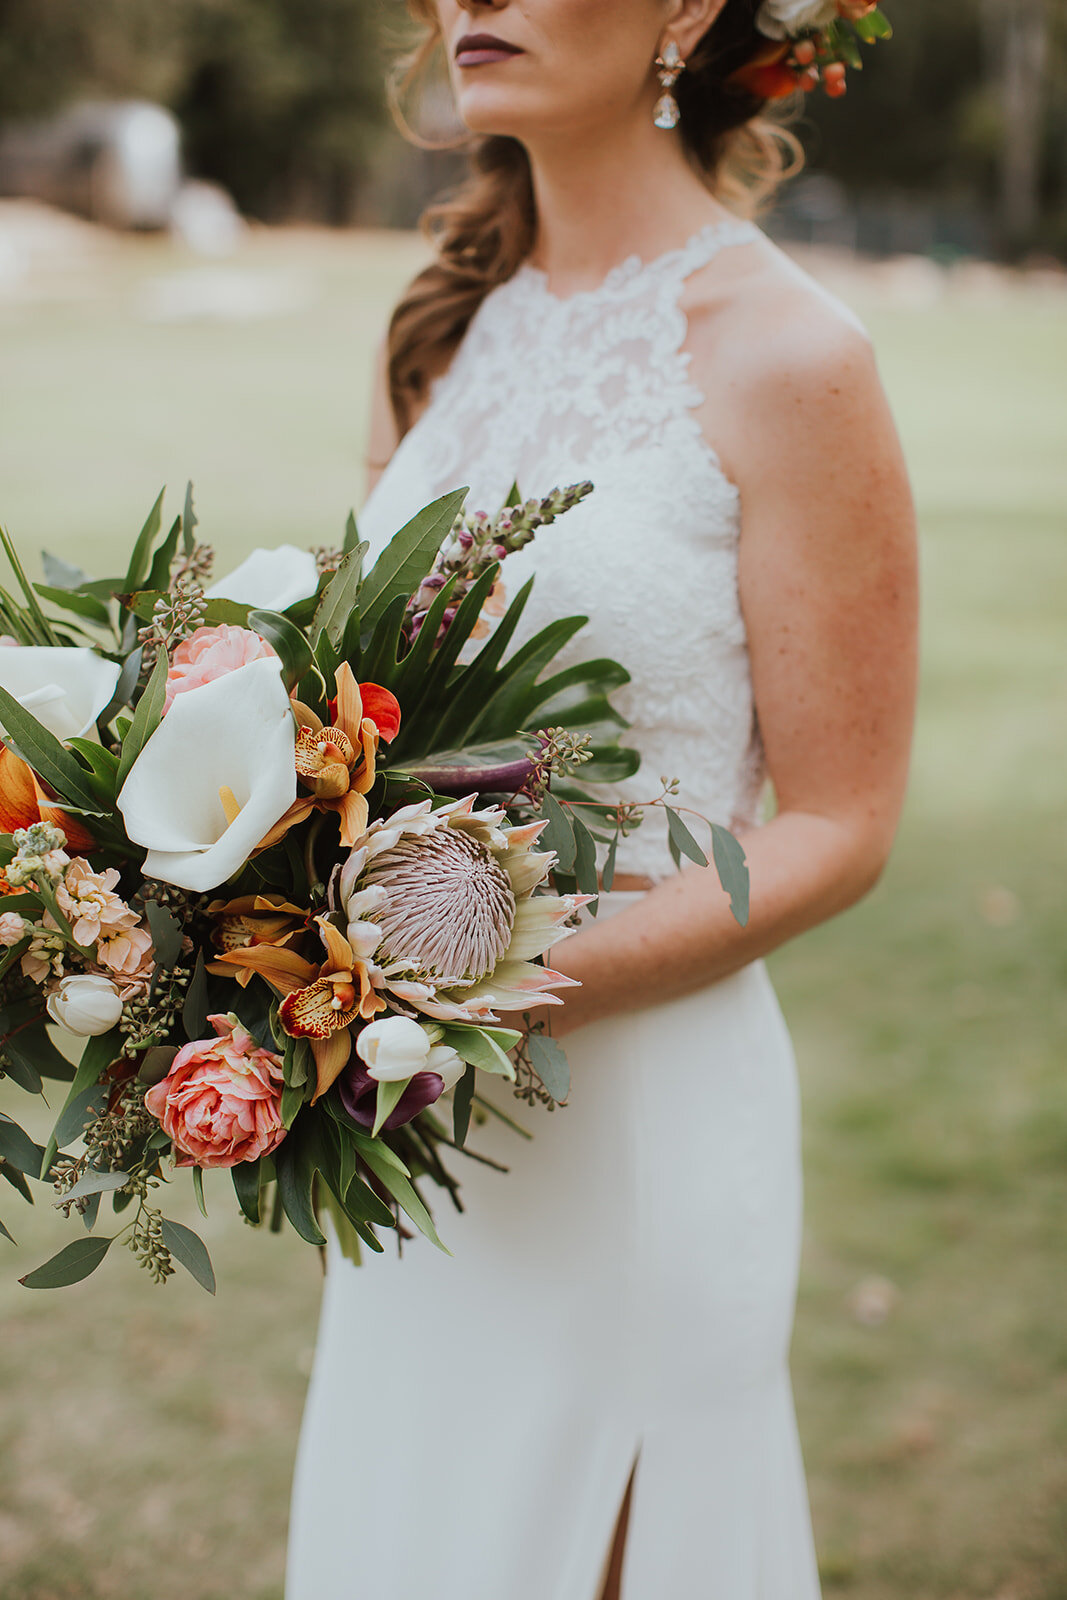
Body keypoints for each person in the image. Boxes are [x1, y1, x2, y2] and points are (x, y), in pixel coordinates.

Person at [286, 2, 918, 1596]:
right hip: (423, 1124)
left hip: (636, 1115)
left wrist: (486, 987)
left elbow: (839, 823)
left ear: (689, 11)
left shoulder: (793, 359)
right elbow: (362, 725)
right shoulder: (437, 328)